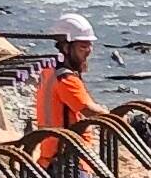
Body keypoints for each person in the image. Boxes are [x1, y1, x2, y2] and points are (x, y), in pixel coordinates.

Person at [30, 15, 100, 153]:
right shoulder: (66, 79)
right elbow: (87, 109)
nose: (89, 51)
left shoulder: (49, 72)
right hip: (69, 156)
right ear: (66, 48)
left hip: (51, 153)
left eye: (90, 45)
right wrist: (119, 119)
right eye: (83, 46)